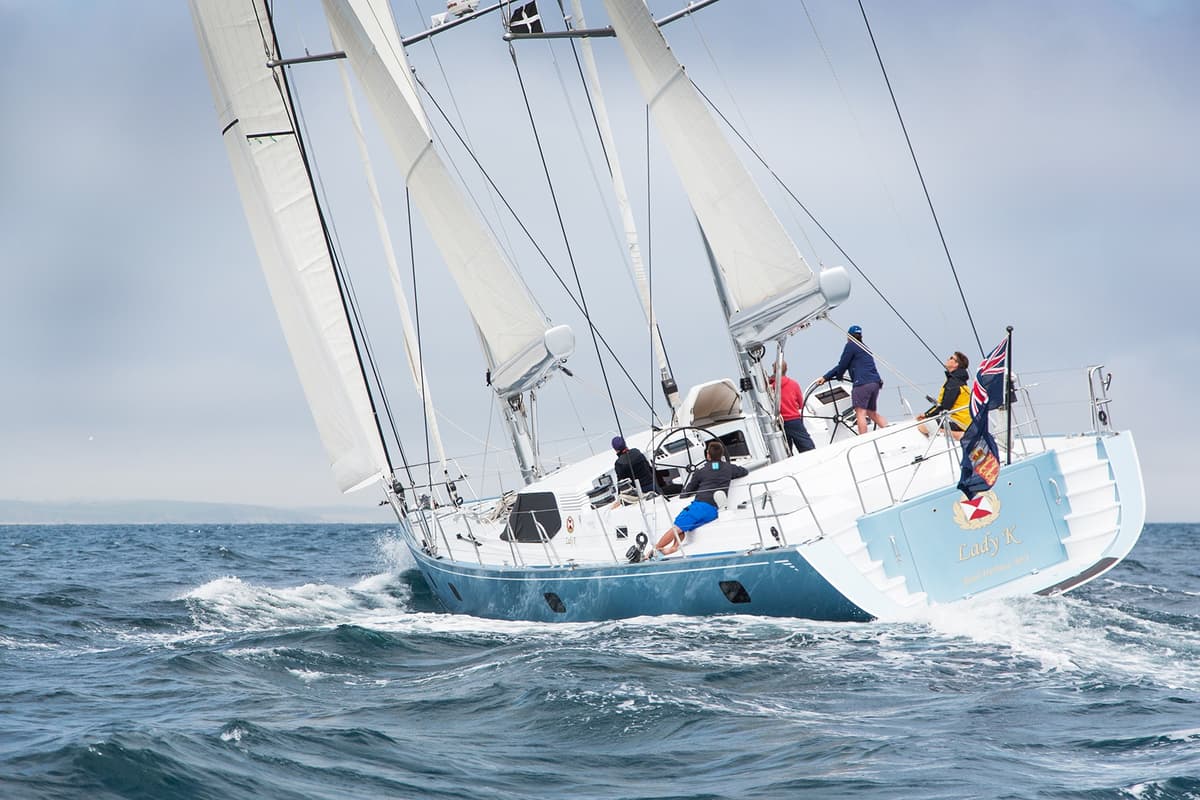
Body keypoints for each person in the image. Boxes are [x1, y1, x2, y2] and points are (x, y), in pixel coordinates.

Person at [651, 440, 748, 556]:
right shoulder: (729, 468)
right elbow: (744, 471)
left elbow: (688, 491)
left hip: (700, 507)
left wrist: (684, 493)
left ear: (708, 455)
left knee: (677, 527)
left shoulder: (701, 471)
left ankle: (655, 550)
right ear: (722, 455)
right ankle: (674, 547)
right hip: (713, 511)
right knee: (683, 526)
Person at [816, 324, 888, 435]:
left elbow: (842, 365)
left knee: (860, 413)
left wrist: (837, 376)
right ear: (861, 336)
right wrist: (826, 377)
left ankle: (863, 440)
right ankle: (888, 430)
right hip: (875, 383)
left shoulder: (850, 346)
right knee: (871, 412)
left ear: (848, 336)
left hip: (862, 384)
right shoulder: (864, 347)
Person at [916, 352, 971, 440]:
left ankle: (958, 435)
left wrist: (926, 415)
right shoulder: (959, 381)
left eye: (951, 358)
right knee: (929, 423)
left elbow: (945, 406)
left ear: (956, 364)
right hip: (966, 422)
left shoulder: (954, 383)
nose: (948, 359)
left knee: (923, 426)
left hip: (960, 423)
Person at [768, 360, 815, 454]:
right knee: (808, 449)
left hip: (780, 424)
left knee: (785, 452)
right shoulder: (794, 384)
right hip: (794, 421)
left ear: (774, 370)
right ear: (786, 369)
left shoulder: (770, 387)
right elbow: (801, 404)